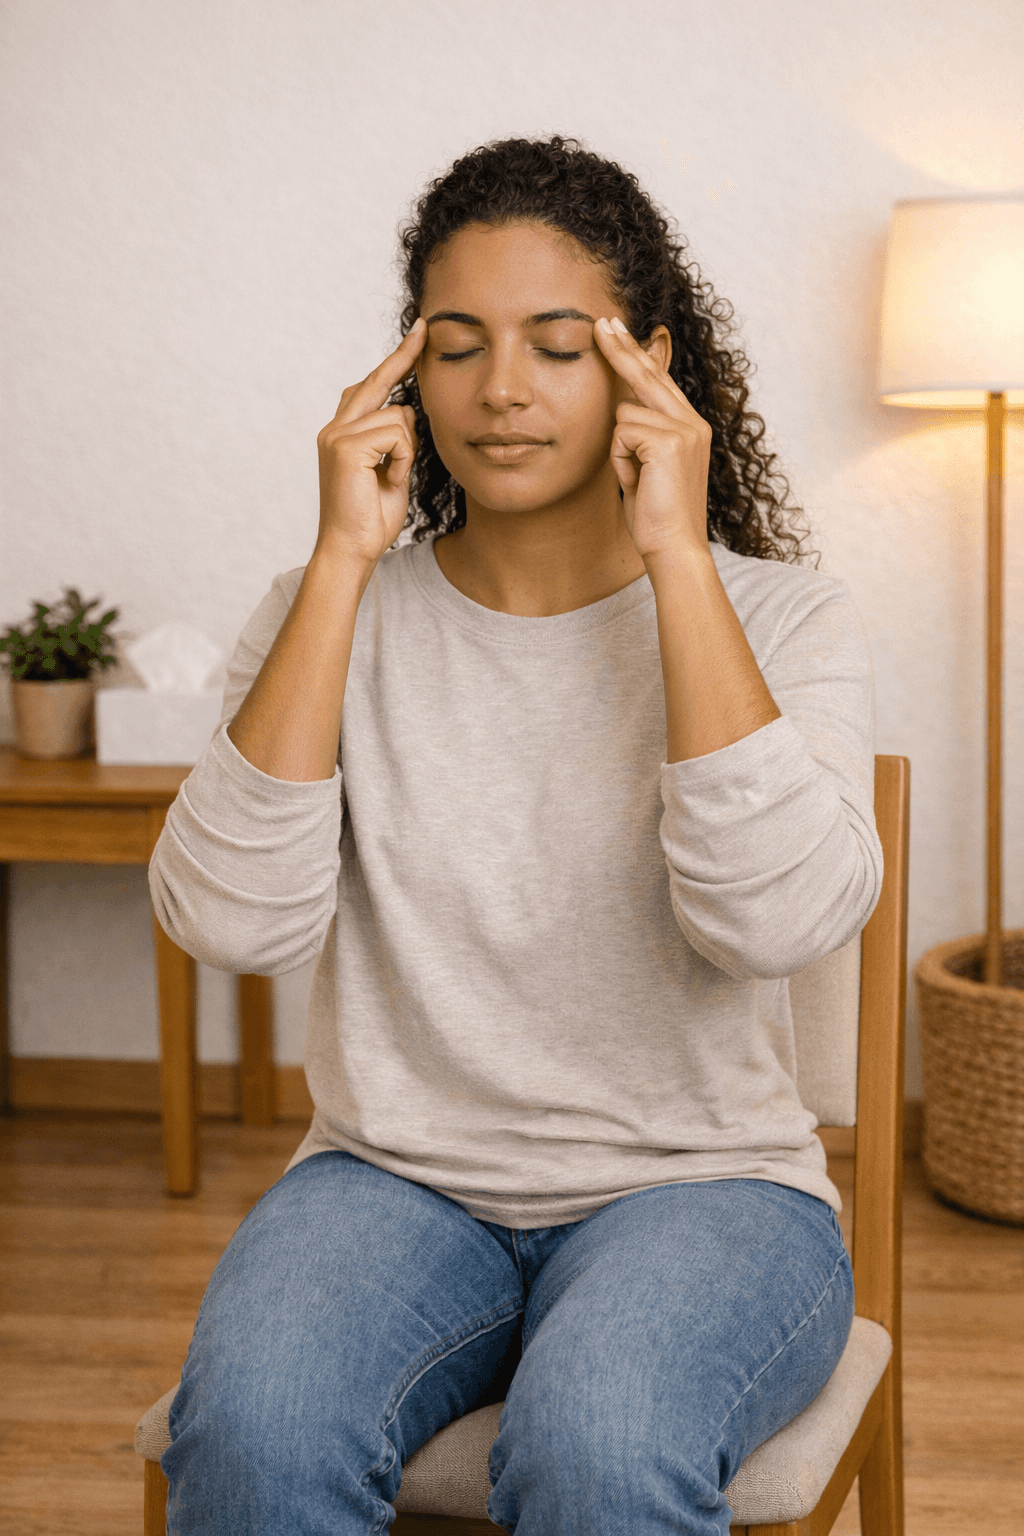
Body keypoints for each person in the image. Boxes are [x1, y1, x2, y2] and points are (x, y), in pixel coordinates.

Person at [150, 135, 883, 1536]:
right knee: (251, 1430)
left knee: (598, 1454)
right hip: (390, 1178)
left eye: (558, 346)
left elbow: (777, 923)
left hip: (709, 1194)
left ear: (648, 367)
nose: (500, 391)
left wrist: (676, 556)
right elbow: (228, 930)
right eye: (458, 346)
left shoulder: (784, 618)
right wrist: (338, 566)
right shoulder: (329, 608)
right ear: (403, 375)